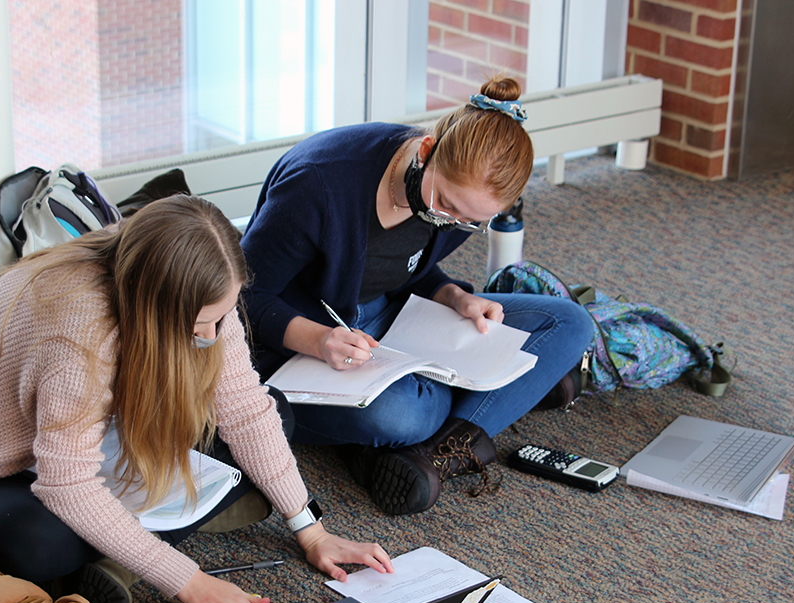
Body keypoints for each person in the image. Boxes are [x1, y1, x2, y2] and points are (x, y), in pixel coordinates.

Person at [0, 194, 393, 603]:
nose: (212, 335)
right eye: (199, 325)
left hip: (99, 435)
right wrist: (191, 582)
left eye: (221, 319)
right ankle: (131, 548)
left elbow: (244, 408)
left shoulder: (193, 295)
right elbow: (66, 484)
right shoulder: (80, 328)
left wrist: (310, 528)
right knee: (40, 543)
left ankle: (120, 556)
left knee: (274, 413)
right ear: (151, 306)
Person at [240, 75, 595, 516]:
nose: (448, 222)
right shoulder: (319, 185)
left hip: (393, 319)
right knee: (408, 415)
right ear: (426, 152)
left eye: (469, 221)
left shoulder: (447, 206)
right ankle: (481, 408)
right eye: (446, 203)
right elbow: (242, 300)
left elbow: (404, 267)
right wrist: (319, 340)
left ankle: (425, 458)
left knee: (570, 324)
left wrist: (451, 296)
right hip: (300, 342)